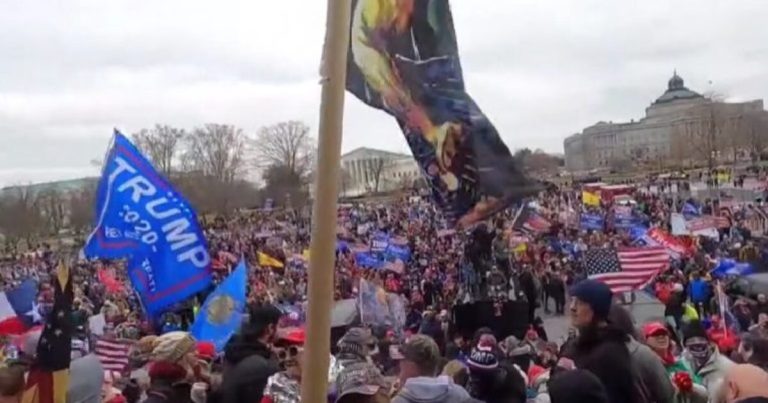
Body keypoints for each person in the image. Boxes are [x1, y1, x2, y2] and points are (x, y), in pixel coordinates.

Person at [562, 279, 637, 403]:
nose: (572, 307)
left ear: (596, 309)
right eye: (572, 301)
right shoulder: (574, 345)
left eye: (580, 302)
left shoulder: (610, 354)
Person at [212, 305, 282, 403]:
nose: (283, 331)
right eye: (280, 325)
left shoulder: (236, 350)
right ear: (270, 328)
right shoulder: (261, 365)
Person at [608, 306, 675, 403]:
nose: (661, 337)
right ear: (645, 339)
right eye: (656, 334)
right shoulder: (644, 356)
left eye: (664, 334)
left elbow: (668, 393)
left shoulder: (681, 362)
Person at [392, 334, 475, 403]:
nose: (400, 366)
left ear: (410, 366)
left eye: (402, 361)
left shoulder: (400, 400)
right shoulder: (460, 395)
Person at [681, 320, 734, 403]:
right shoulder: (682, 366)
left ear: (709, 343)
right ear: (686, 347)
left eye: (700, 342)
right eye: (692, 345)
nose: (698, 348)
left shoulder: (728, 367)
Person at [143, 332, 199, 403]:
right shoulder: (162, 395)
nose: (197, 353)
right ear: (178, 357)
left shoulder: (189, 385)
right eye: (192, 351)